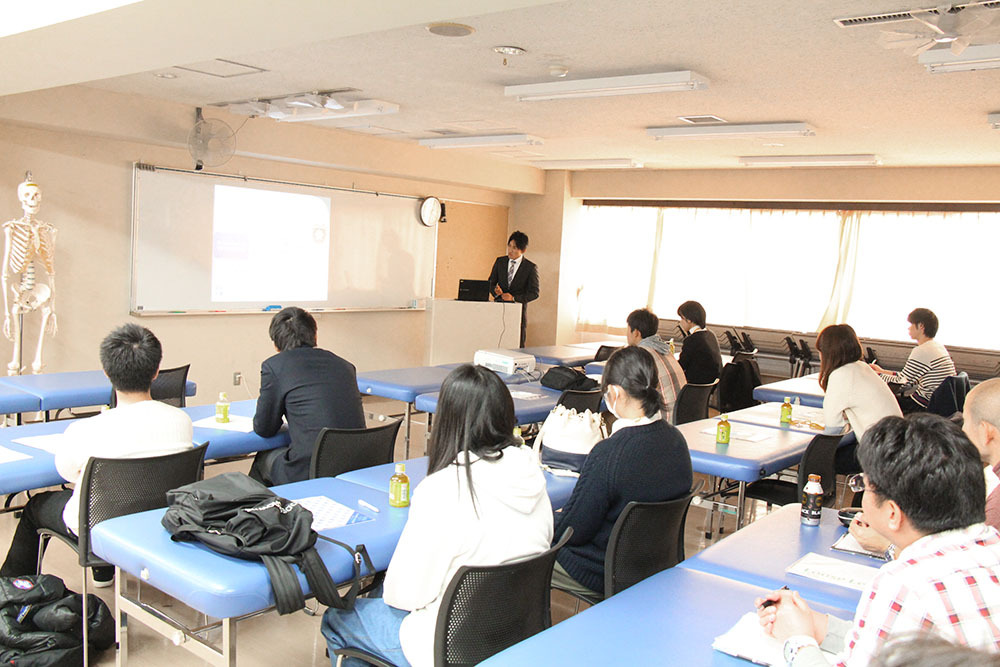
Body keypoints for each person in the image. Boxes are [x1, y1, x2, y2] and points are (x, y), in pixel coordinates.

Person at [321, 364, 553, 667]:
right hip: (513, 633)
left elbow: (403, 597)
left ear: (447, 422)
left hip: (447, 644)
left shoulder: (442, 490)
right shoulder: (531, 473)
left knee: (339, 618)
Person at [755, 413, 1000, 667]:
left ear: (893, 514)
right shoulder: (992, 545)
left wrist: (798, 640)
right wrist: (817, 626)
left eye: (865, 485)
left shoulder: (904, 582)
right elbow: (895, 641)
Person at [0, 324, 193, 585]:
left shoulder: (86, 429)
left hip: (96, 529)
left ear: (106, 373)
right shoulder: (181, 421)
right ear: (157, 371)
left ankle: (11, 589)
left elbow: (66, 473)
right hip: (154, 521)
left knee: (36, 506)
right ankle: (104, 571)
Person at [551, 346, 692, 599]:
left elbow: (571, 532)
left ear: (614, 392)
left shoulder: (610, 453)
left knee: (523, 551)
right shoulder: (677, 441)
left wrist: (549, 517)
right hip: (655, 567)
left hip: (600, 570)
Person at [853, 377, 1000, 556]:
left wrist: (890, 546)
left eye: (966, 421)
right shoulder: (987, 476)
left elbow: (963, 563)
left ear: (986, 432)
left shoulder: (996, 506)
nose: (963, 431)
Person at [251, 306, 365, 486]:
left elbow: (264, 428)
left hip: (310, 469)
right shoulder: (345, 365)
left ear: (275, 343)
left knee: (264, 459)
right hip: (357, 464)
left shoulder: (274, 367)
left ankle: (265, 512)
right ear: (315, 336)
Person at [816, 324, 901, 474]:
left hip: (879, 452)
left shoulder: (841, 374)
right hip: (895, 446)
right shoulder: (863, 367)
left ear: (827, 353)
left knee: (817, 459)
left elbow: (833, 427)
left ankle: (814, 495)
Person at [870, 308, 955, 414]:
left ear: (921, 326)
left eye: (911, 324)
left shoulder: (922, 351)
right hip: (936, 403)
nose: (909, 328)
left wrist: (875, 375)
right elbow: (909, 377)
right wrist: (883, 371)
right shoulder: (937, 347)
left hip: (922, 406)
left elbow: (903, 382)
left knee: (877, 403)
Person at [625, 307, 686, 422]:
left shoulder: (641, 354)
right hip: (681, 417)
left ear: (636, 332)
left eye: (628, 330)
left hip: (663, 421)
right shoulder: (665, 350)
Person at [487, 231, 539, 347]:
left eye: (514, 248)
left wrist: (514, 298)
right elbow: (490, 282)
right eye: (509, 246)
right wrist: (496, 292)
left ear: (523, 250)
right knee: (495, 342)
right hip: (498, 309)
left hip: (518, 312)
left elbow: (534, 293)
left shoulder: (530, 267)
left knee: (517, 345)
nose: (510, 250)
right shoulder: (500, 262)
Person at [676, 300, 723, 384]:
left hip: (694, 386)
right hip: (709, 387)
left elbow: (680, 367)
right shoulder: (710, 335)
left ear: (689, 320)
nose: (680, 322)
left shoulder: (692, 340)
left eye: (682, 318)